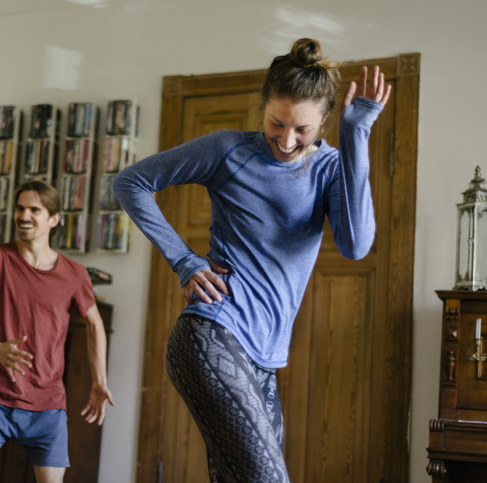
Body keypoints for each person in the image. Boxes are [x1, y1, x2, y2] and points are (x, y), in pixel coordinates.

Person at [113, 38, 391, 482]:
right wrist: (184, 260)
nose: (286, 140)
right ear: (264, 108)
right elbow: (130, 182)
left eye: (302, 129)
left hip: (265, 361)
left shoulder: (330, 168)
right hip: (212, 333)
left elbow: (356, 245)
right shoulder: (227, 150)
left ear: (325, 119)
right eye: (276, 123)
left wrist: (357, 133)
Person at [0, 179, 115, 483]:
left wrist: (100, 381)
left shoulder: (75, 274)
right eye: (19, 208)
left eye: (34, 210)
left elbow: (95, 325)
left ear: (54, 219)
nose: (23, 216)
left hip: (47, 403)